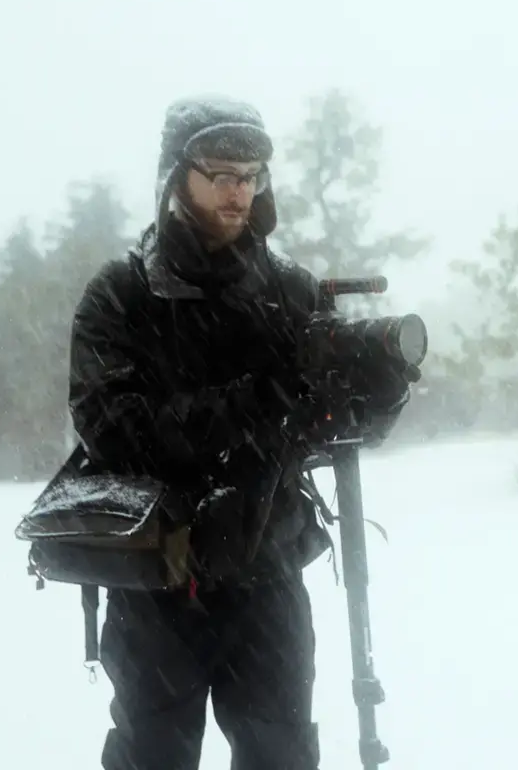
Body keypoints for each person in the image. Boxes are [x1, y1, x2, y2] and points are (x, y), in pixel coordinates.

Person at [66, 96, 414, 770]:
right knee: (152, 757)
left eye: (251, 175)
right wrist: (262, 398)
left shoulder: (290, 290)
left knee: (280, 756)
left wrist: (380, 392)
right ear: (176, 174)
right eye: (221, 172)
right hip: (157, 580)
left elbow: (339, 426)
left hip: (269, 576)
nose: (239, 191)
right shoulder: (122, 295)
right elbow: (113, 428)